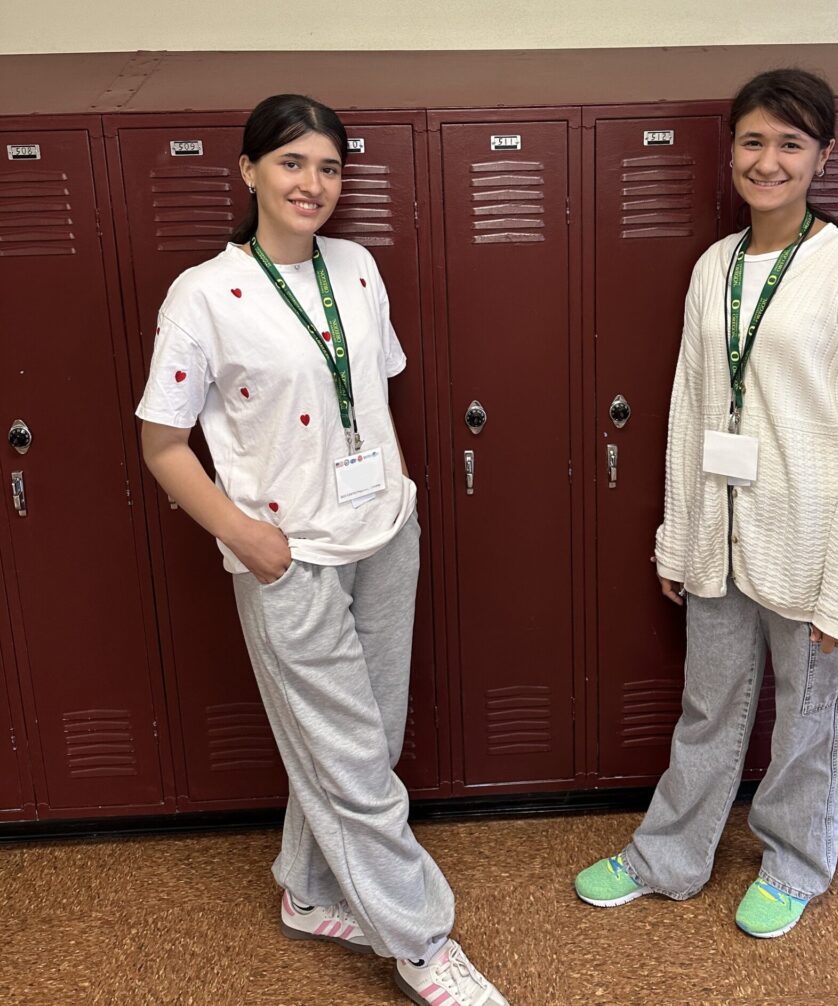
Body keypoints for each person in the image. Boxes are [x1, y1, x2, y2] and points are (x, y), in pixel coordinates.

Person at [137, 93, 508, 1006]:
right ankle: (423, 941)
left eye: (329, 167)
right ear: (250, 171)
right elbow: (161, 444)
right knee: (348, 757)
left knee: (364, 743)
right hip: (288, 556)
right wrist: (245, 536)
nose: (312, 183)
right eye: (292, 162)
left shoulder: (356, 267)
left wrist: (396, 495)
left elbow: (370, 395)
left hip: (384, 535)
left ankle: (307, 891)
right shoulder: (204, 295)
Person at [574, 68, 838, 938]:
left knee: (810, 719)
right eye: (753, 142)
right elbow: (691, 407)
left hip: (816, 550)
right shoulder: (714, 268)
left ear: (823, 157)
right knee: (708, 708)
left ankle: (795, 864)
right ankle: (671, 858)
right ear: (730, 151)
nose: (768, 162)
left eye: (791, 144)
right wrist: (678, 541)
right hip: (723, 540)